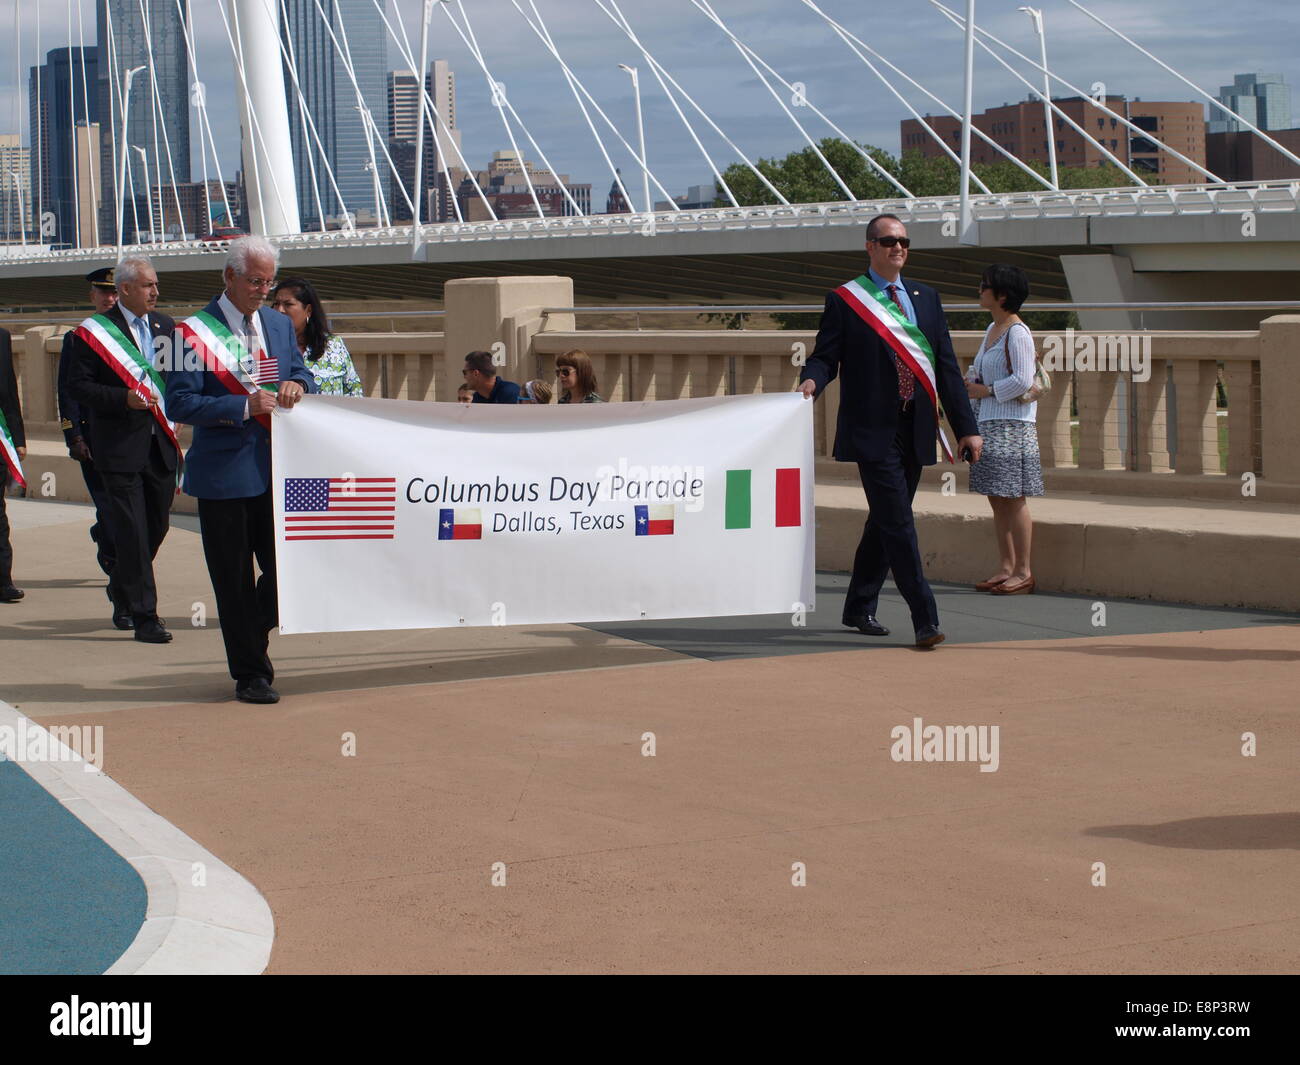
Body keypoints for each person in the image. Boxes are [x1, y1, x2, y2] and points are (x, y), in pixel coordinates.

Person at [799, 214, 980, 649]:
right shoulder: (845, 300)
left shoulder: (927, 298)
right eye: (887, 241)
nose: (897, 247)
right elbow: (827, 355)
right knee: (899, 522)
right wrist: (811, 381)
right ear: (870, 247)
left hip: (916, 426)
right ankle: (925, 619)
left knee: (885, 521)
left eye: (903, 241)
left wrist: (967, 428)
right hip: (871, 429)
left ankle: (858, 606)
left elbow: (946, 370)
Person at [165, 235, 316, 704]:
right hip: (224, 475)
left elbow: (302, 373)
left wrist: (296, 382)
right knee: (233, 580)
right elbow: (180, 402)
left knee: (288, 573)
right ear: (229, 277)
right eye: (255, 281)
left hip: (278, 469)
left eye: (268, 283)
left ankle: (249, 630)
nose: (263, 291)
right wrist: (243, 406)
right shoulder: (189, 333)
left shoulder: (276, 322)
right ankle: (252, 673)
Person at [67, 256, 180, 643]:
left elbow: (175, 377)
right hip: (118, 447)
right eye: (148, 285)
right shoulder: (93, 333)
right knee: (131, 530)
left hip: (160, 443)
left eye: (156, 285)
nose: (155, 292)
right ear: (126, 289)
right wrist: (122, 399)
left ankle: (121, 586)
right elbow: (78, 387)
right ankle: (145, 615)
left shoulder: (166, 326)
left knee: (157, 526)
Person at [965, 264, 1043, 596]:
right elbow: (981, 366)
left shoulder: (1018, 332)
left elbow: (1024, 379)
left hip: (1013, 426)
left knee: (1014, 497)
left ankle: (1024, 571)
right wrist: (971, 381)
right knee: (997, 498)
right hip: (989, 423)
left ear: (1002, 294)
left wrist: (987, 391)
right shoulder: (991, 328)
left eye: (985, 286)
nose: (980, 290)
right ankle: (1006, 567)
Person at [58, 267, 127, 626]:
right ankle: (121, 584)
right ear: (93, 297)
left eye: (116, 292)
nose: (110, 299)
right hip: (94, 441)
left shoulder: (135, 336)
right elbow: (68, 392)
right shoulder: (79, 337)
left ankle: (105, 538)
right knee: (113, 513)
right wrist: (75, 436)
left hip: (130, 442)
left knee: (129, 519)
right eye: (104, 293)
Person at [269, 277, 362, 397]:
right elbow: (246, 381)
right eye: (276, 304)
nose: (279, 310)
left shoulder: (334, 345)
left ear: (308, 310)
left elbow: (354, 391)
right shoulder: (261, 343)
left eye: (288, 304)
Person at [0, 325, 26, 604]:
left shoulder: (2, 337)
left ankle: (3, 580)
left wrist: (18, 438)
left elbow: (8, 387)